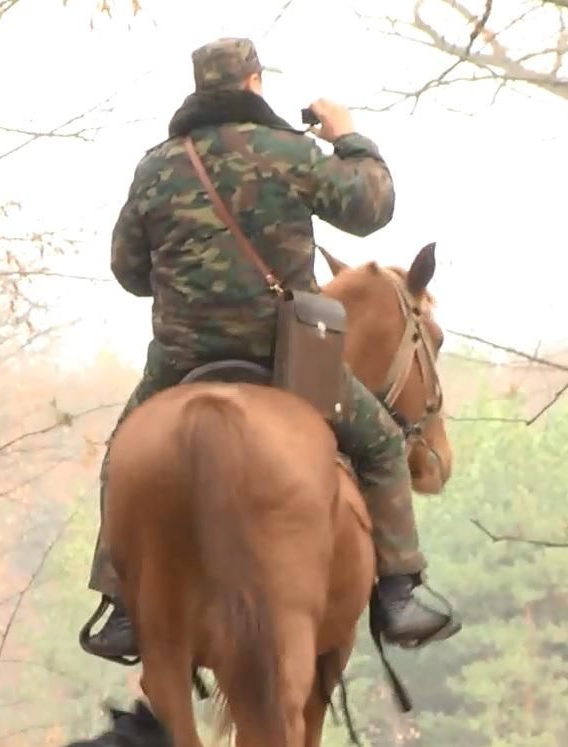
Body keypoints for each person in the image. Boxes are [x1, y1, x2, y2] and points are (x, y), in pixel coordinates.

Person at [79, 37, 461, 662]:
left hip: (180, 358)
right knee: (383, 444)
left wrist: (185, 282)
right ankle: (398, 593)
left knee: (123, 456)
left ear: (200, 88)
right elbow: (372, 209)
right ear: (255, 84)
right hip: (291, 354)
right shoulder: (292, 151)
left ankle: (121, 606)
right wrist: (348, 135)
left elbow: (127, 270)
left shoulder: (156, 167)